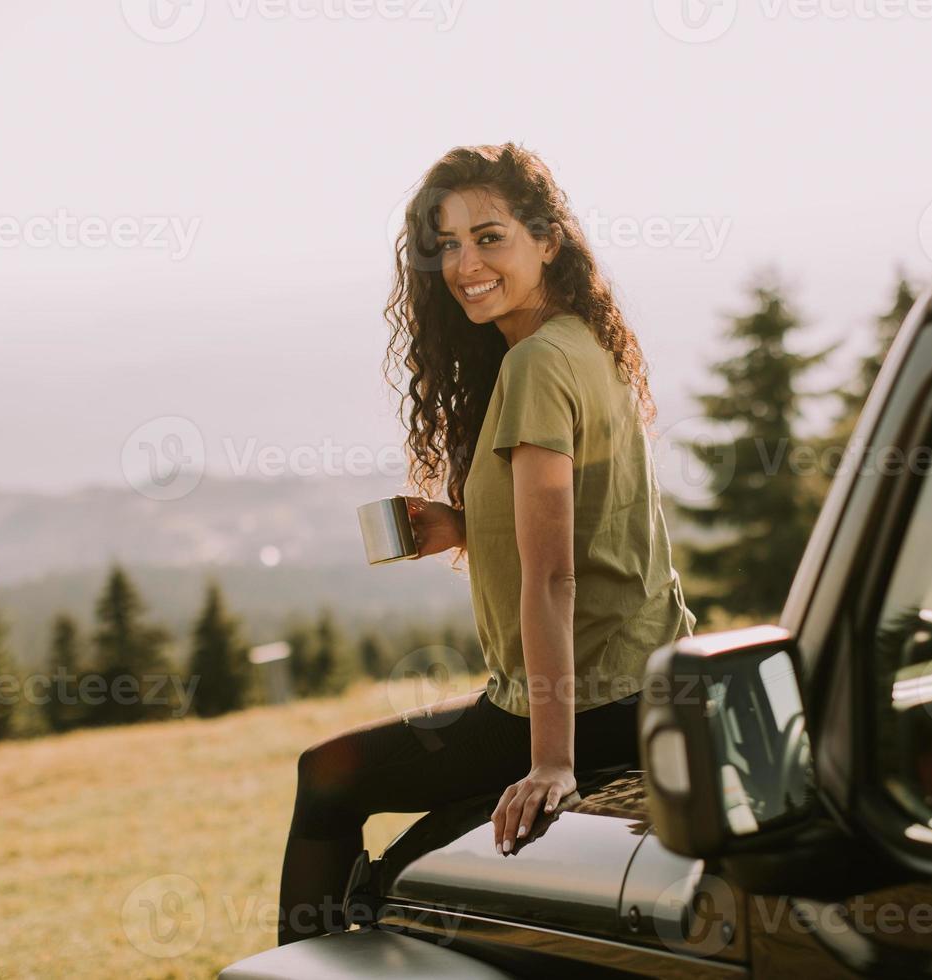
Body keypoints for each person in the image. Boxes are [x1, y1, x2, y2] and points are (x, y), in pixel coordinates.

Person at [275, 142, 697, 945]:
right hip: (639, 678)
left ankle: (296, 964)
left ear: (548, 240)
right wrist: (466, 527)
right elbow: (590, 521)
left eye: (489, 236)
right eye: (447, 244)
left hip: (580, 702)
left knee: (324, 780)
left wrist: (550, 765)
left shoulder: (536, 365)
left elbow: (554, 581)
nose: (464, 262)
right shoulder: (579, 340)